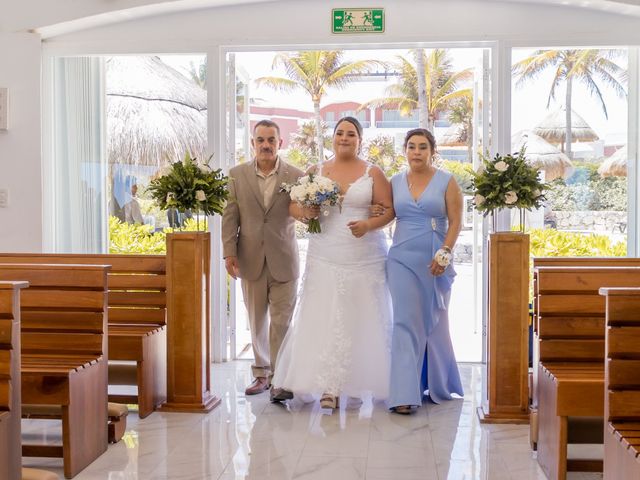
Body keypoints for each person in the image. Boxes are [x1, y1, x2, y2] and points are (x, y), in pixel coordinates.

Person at [272, 116, 395, 410]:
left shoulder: (373, 172)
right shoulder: (317, 170)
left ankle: (353, 384)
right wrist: (307, 212)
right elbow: (293, 206)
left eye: (350, 134)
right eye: (340, 133)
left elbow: (390, 210)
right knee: (323, 316)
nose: (344, 138)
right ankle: (327, 387)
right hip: (325, 252)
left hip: (363, 254)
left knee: (360, 316)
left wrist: (369, 225)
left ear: (359, 140)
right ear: (333, 137)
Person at [221, 120, 304, 400]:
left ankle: (280, 380)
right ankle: (261, 374)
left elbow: (305, 210)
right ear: (253, 143)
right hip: (250, 258)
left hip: (284, 258)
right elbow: (230, 216)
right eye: (260, 140)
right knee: (256, 320)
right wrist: (229, 252)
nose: (266, 145)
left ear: (280, 143)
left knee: (282, 321)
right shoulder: (237, 175)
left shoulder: (296, 175)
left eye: (271, 140)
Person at [385, 128, 464, 414]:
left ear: (432, 151)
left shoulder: (447, 181)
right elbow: (385, 213)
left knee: (435, 324)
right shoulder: (394, 181)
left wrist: (445, 252)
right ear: (404, 150)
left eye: (422, 147)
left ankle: (435, 383)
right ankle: (404, 394)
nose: (416, 152)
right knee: (404, 322)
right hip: (401, 259)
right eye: (411, 147)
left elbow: (456, 221)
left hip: (435, 259)